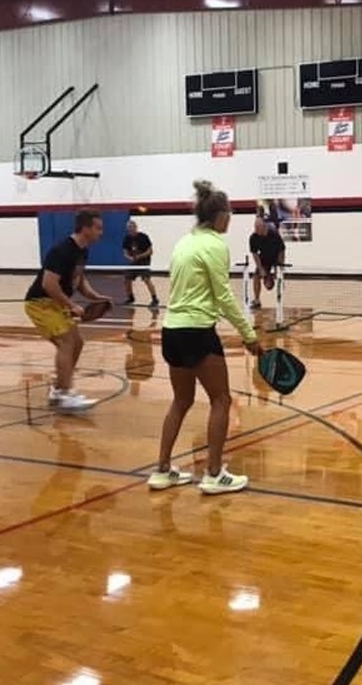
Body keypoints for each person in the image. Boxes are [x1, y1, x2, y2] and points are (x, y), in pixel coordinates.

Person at [147, 180, 263, 495]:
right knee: (221, 400)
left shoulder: (185, 242)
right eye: (230, 214)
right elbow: (223, 297)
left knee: (181, 401)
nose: (231, 219)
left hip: (171, 329)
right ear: (220, 216)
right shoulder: (215, 246)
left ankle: (162, 471)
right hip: (197, 331)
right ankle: (213, 474)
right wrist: (249, 334)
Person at [23, 209, 111, 411]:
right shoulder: (62, 250)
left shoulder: (83, 251)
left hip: (54, 303)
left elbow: (78, 280)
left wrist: (96, 297)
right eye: (98, 228)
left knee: (77, 343)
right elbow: (49, 284)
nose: (101, 233)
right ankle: (65, 394)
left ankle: (58, 390)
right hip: (40, 303)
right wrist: (71, 305)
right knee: (67, 341)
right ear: (85, 228)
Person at [248, 215, 286, 309]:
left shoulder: (274, 234)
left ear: (264, 227)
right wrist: (260, 269)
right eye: (255, 227)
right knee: (256, 277)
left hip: (276, 257)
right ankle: (257, 300)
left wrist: (280, 268)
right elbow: (255, 254)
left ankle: (279, 300)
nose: (256, 230)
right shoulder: (253, 237)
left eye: (258, 228)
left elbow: (282, 250)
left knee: (275, 281)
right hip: (264, 258)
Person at [122, 220, 159, 308]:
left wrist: (140, 256)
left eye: (132, 227)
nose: (130, 229)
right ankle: (130, 297)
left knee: (146, 279)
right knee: (126, 279)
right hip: (134, 262)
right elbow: (125, 252)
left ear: (135, 227)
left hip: (144, 261)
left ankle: (155, 299)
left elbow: (150, 251)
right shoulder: (127, 238)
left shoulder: (143, 237)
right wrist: (129, 257)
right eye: (128, 228)